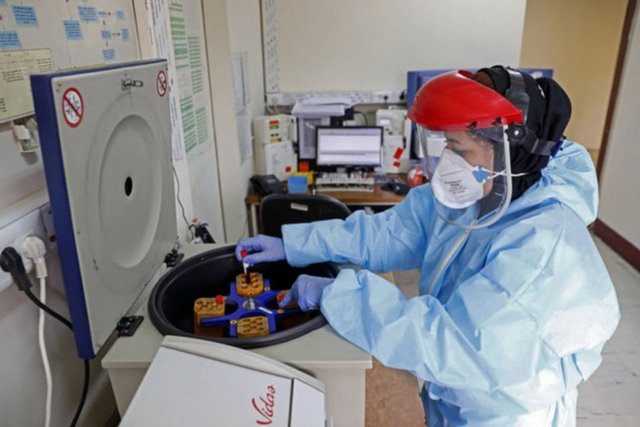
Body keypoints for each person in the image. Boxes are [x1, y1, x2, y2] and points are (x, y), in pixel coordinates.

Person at [236, 66, 620, 426]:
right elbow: (389, 233)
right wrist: (296, 243)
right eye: (447, 145)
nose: (450, 161)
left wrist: (341, 295)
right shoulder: (479, 194)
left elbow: (454, 342)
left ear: (506, 151)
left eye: (460, 150)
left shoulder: (543, 246)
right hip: (449, 388)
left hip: (503, 409)